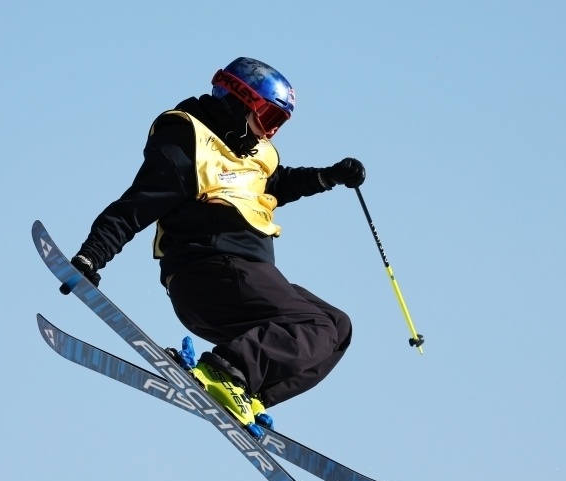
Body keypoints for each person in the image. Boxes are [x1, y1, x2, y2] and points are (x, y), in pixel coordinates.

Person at [64, 57, 365, 437]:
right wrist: (92, 255)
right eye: (266, 118)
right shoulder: (188, 143)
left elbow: (274, 185)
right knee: (313, 326)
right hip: (210, 273)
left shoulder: (254, 153)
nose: (266, 134)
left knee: (338, 327)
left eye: (277, 125)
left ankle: (244, 392)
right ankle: (226, 371)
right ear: (239, 101)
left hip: (245, 280)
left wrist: (326, 177)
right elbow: (136, 205)